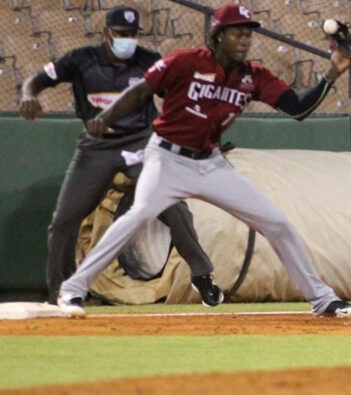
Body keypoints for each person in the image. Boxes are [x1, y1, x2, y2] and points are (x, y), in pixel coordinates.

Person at [57, 3, 351, 318]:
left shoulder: (252, 76)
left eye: (248, 34)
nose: (245, 40)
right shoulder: (186, 61)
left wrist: (333, 71)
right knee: (139, 215)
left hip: (210, 164)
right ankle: (73, 289)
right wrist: (107, 116)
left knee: (277, 223)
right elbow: (141, 91)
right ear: (217, 36)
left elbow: (297, 108)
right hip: (166, 159)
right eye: (237, 33)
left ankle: (323, 299)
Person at [18, 6, 219, 307]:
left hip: (143, 143)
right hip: (97, 145)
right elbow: (36, 80)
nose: (128, 39)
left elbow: (180, 95)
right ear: (107, 34)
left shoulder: (150, 62)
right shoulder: (80, 59)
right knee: (64, 222)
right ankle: (62, 294)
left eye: (133, 34)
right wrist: (28, 95)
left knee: (174, 207)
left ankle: (202, 275)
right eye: (122, 34)